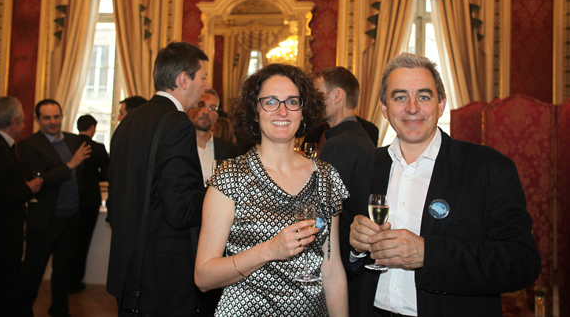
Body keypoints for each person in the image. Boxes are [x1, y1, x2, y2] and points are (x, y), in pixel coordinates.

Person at [341, 53, 541, 317]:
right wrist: (355, 246)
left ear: (441, 104)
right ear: (384, 108)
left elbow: (521, 262)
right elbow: (342, 250)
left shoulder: (488, 169)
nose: (412, 108)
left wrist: (429, 255)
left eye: (424, 96)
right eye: (400, 97)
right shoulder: (364, 167)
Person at [195, 64, 350, 317]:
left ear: (303, 111)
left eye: (292, 101)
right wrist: (270, 250)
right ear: (255, 111)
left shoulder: (326, 177)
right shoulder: (231, 177)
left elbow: (332, 270)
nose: (282, 110)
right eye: (270, 101)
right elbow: (203, 276)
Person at [107, 41, 210, 317]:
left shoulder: (128, 122)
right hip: (163, 273)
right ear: (183, 79)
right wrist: (221, 191)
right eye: (203, 77)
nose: (206, 86)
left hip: (129, 265)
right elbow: (180, 210)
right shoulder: (176, 123)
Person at [17, 99, 92, 317]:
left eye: (56, 116)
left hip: (71, 216)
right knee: (33, 270)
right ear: (38, 119)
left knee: (63, 270)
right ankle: (22, 310)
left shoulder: (72, 140)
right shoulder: (29, 145)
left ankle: (60, 310)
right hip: (45, 218)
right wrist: (70, 165)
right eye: (47, 118)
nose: (53, 122)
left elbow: (82, 175)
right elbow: (36, 180)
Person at [0, 97, 43, 317]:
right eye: (22, 118)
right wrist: (28, 188)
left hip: (2, 234)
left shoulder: (0, 143)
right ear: (13, 121)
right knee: (3, 289)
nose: (24, 122)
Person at [312, 67, 375, 189]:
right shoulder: (359, 136)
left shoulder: (337, 146)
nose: (314, 102)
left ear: (337, 96)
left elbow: (324, 205)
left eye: (319, 95)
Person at [69, 114, 109, 293]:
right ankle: (75, 280)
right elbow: (108, 173)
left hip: (70, 196)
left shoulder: (69, 143)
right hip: (91, 198)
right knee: (83, 241)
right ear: (92, 128)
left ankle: (63, 280)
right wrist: (95, 176)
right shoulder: (98, 147)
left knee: (68, 241)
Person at [187, 89, 239, 183]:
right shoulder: (177, 147)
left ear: (216, 117)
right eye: (201, 105)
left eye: (212, 108)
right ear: (189, 110)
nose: (206, 112)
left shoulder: (230, 152)